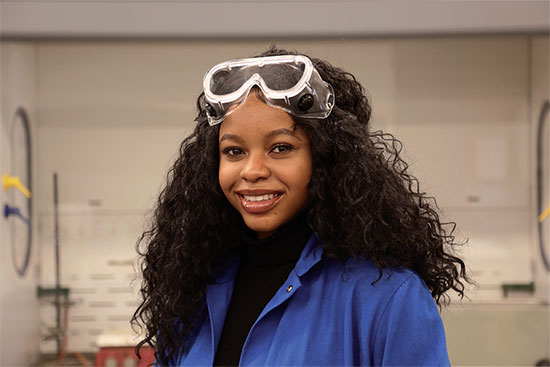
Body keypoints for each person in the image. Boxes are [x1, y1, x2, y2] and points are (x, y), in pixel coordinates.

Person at [132, 46, 469, 366]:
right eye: (234, 151)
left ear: (324, 159)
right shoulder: (193, 289)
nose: (252, 171)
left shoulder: (389, 298)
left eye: (280, 148)